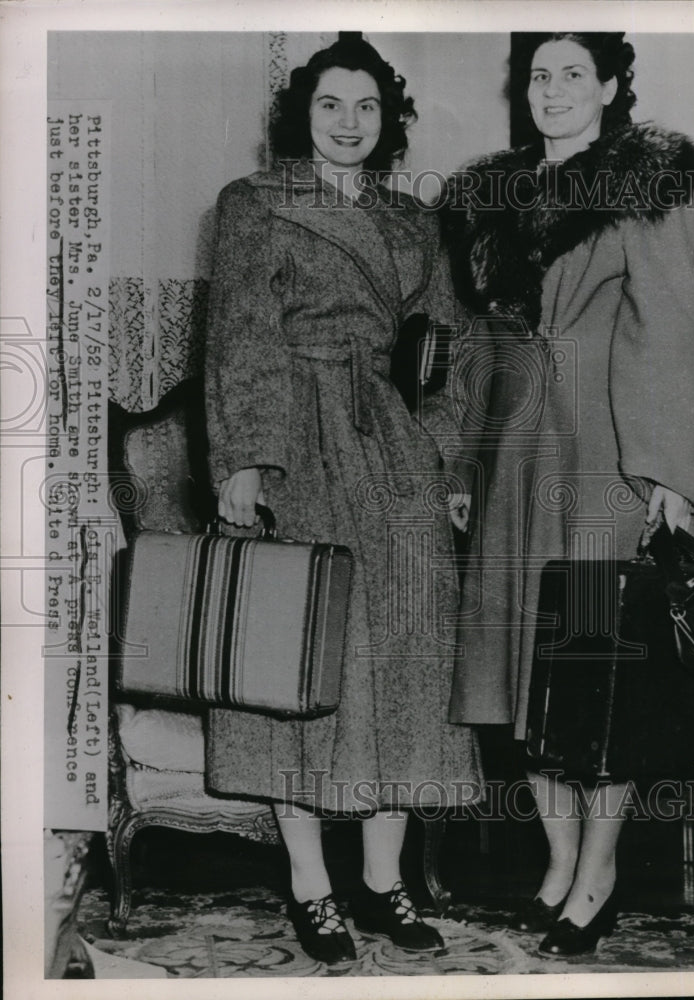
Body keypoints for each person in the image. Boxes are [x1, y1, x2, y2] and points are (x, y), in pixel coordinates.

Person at [203, 36, 481, 965]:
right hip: (299, 445)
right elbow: (240, 340)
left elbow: (441, 351)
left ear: (388, 118)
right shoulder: (254, 205)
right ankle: (312, 888)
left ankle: (386, 881)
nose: (350, 123)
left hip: (393, 449)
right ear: (302, 114)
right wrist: (246, 463)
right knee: (303, 665)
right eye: (331, 106)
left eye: (367, 107)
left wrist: (445, 471)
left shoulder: (413, 219)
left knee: (405, 657)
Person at [444, 32, 694, 957]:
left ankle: (598, 878)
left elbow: (666, 333)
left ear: (609, 87)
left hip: (600, 464)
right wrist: (465, 463)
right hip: (512, 461)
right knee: (520, 674)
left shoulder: (644, 184)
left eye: (571, 76)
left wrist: (667, 477)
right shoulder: (491, 195)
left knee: (589, 681)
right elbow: (477, 347)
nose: (551, 91)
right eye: (538, 75)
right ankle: (557, 860)